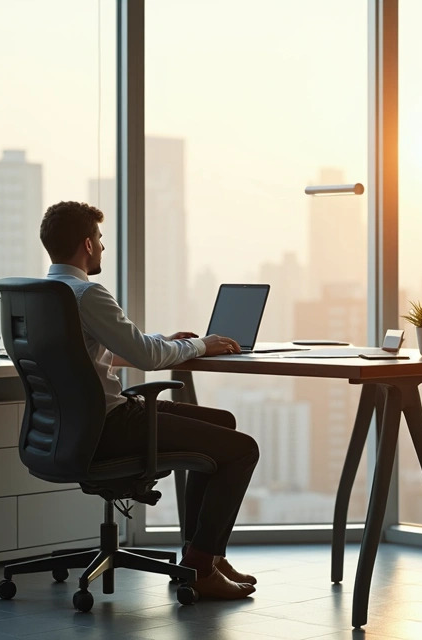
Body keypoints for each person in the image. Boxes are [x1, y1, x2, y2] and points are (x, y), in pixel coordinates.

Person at [39, 200, 258, 601]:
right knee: (243, 449)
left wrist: (169, 343)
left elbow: (97, 353)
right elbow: (145, 358)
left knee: (222, 423)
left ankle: (203, 556)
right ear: (87, 245)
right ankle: (201, 565)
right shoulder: (87, 294)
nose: (103, 247)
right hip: (110, 426)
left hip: (71, 427)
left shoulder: (43, 295)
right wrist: (201, 345)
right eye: (101, 239)